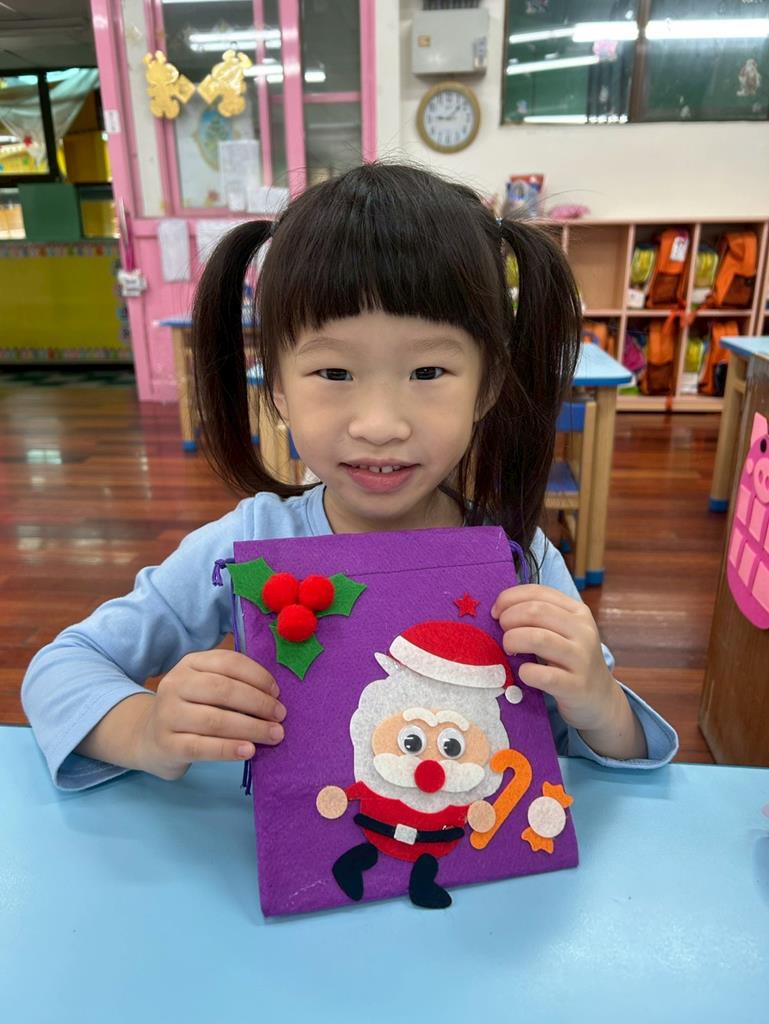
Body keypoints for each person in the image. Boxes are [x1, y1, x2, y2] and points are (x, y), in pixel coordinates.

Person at [21, 163, 678, 791]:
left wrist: (600, 704)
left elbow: (603, 758)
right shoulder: (248, 544)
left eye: (427, 372)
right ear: (278, 388)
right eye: (333, 372)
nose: (379, 424)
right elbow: (61, 668)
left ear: (487, 386)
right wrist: (145, 730)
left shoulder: (518, 555)